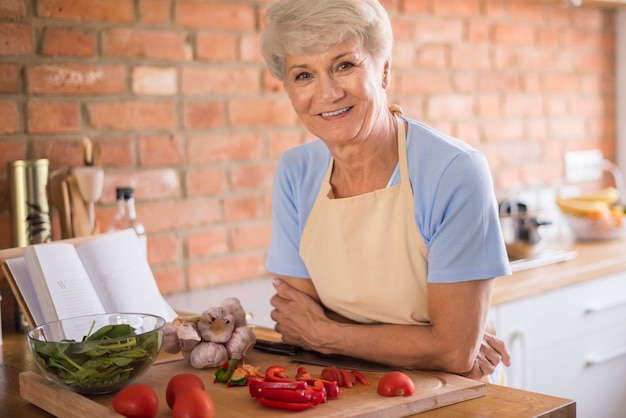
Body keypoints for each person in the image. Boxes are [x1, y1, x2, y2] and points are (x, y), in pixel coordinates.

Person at [261, 0, 512, 382]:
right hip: (338, 389)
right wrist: (431, 342)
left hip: (447, 394)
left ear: (384, 70)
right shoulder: (296, 172)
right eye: (303, 75)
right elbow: (296, 323)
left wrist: (326, 332)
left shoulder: (453, 171)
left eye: (344, 65)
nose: (327, 93)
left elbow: (453, 351)